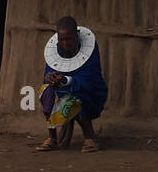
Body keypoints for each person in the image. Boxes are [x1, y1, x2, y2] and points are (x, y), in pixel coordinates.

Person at [36, 16, 107, 153]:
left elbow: (90, 78)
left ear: (77, 35)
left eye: (69, 39)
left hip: (91, 92)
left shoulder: (90, 50)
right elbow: (49, 72)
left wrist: (66, 81)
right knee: (46, 92)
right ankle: (52, 138)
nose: (65, 43)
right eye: (61, 40)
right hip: (63, 92)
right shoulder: (54, 52)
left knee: (76, 94)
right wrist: (50, 78)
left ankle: (89, 137)